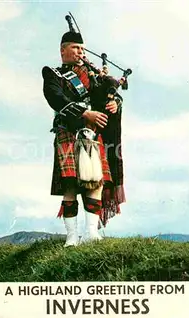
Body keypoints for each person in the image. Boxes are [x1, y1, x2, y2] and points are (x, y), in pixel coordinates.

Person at [42, 29, 125, 247]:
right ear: (63, 50)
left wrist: (115, 102)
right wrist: (84, 113)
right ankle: (71, 237)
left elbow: (110, 96)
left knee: (95, 182)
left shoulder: (94, 76)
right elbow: (56, 98)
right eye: (75, 48)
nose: (80, 52)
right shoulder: (53, 74)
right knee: (70, 184)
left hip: (93, 135)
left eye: (82, 48)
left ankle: (91, 234)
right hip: (68, 132)